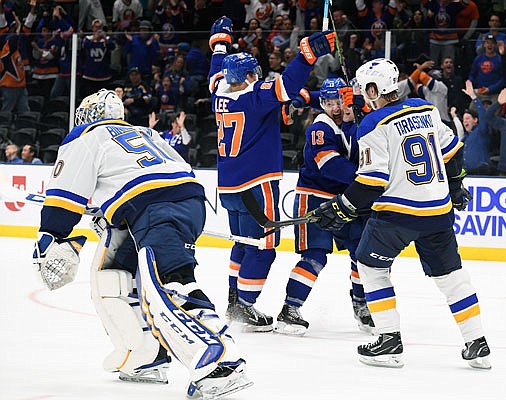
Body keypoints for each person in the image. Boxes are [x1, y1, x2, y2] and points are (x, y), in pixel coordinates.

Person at [32, 89, 252, 399]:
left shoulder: (86, 135)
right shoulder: (143, 132)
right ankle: (145, 357)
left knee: (169, 285)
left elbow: (64, 195)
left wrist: (49, 235)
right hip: (184, 200)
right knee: (112, 275)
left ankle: (220, 363)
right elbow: (171, 171)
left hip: (154, 208)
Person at [307, 58, 491, 369]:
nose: (363, 95)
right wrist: (456, 188)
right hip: (438, 211)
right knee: (452, 276)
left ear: (374, 89)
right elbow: (453, 152)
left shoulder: (372, 124)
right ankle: (477, 342)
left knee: (369, 266)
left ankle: (389, 341)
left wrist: (342, 206)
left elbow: (370, 182)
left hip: (397, 215)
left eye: (365, 90)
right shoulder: (426, 109)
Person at [207, 16, 336, 332]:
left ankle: (234, 300)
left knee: (242, 243)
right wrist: (307, 53)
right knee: (264, 246)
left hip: (228, 185)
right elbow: (286, 86)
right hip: (256, 183)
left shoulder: (218, 91)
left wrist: (220, 38)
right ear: (250, 76)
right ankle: (245, 307)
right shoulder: (255, 97)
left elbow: (216, 64)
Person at [275, 78, 374, 335]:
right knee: (314, 257)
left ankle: (361, 304)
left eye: (339, 101)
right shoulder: (320, 128)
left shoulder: (351, 119)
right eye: (329, 103)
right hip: (315, 197)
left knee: (361, 253)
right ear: (323, 105)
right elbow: (331, 167)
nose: (335, 107)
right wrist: (366, 180)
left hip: (345, 198)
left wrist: (357, 109)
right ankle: (290, 309)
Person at [454, 80, 493, 175]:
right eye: (464, 119)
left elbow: (483, 116)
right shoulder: (465, 138)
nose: (465, 121)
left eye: (467, 118)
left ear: (475, 120)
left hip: (482, 173)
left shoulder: (481, 131)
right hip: (468, 175)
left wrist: (474, 97)